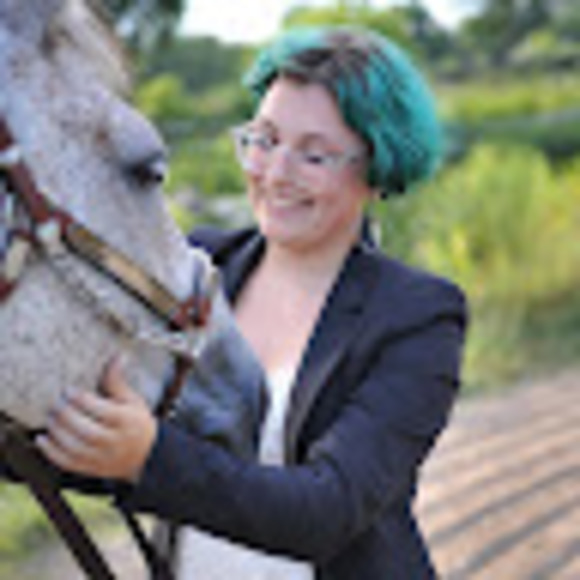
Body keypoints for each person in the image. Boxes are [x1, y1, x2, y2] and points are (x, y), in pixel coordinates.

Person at [35, 25, 468, 579]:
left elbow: (329, 510)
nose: (276, 173)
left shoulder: (418, 314)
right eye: (264, 139)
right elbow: (115, 440)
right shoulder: (198, 267)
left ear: (378, 166)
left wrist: (148, 456)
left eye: (314, 155)